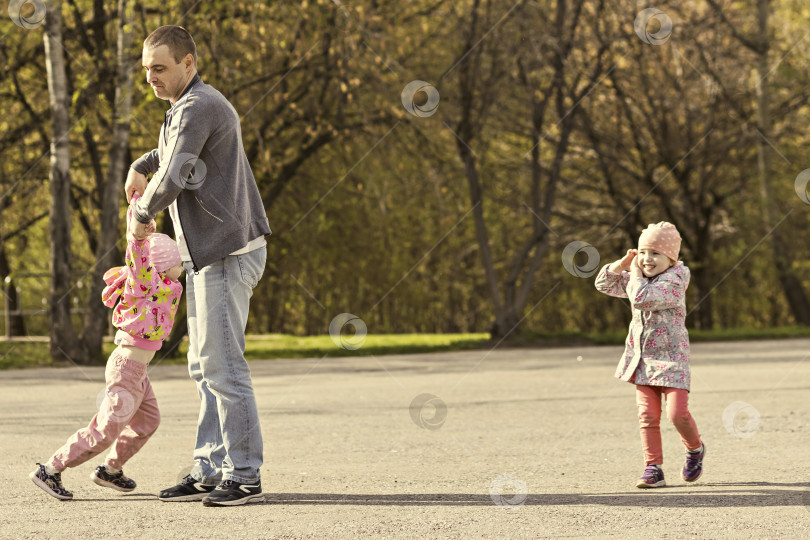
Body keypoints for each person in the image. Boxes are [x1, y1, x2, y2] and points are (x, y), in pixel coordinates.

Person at [125, 25, 271, 507]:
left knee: (223, 366)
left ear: (189, 64)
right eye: (147, 69)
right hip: (207, 254)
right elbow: (169, 154)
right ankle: (209, 468)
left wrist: (142, 214)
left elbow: (177, 168)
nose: (151, 77)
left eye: (160, 67)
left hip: (228, 251)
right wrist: (141, 163)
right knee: (203, 366)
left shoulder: (198, 104)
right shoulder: (183, 108)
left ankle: (244, 474)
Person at [30, 195, 183, 500]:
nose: (184, 266)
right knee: (104, 430)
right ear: (165, 266)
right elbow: (139, 256)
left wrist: (141, 203)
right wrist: (137, 231)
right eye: (180, 262)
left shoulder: (167, 286)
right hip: (126, 369)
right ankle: (50, 469)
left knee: (149, 421)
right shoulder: (144, 283)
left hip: (139, 372)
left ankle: (110, 469)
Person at [594, 221, 705, 488]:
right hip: (642, 360)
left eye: (655, 253)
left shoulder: (675, 280)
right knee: (647, 417)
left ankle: (694, 449)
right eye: (643, 252)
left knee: (677, 414)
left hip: (672, 361)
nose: (646, 259)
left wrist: (633, 274)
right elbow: (603, 284)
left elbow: (642, 298)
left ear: (671, 258)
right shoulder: (637, 277)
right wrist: (622, 264)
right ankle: (652, 467)